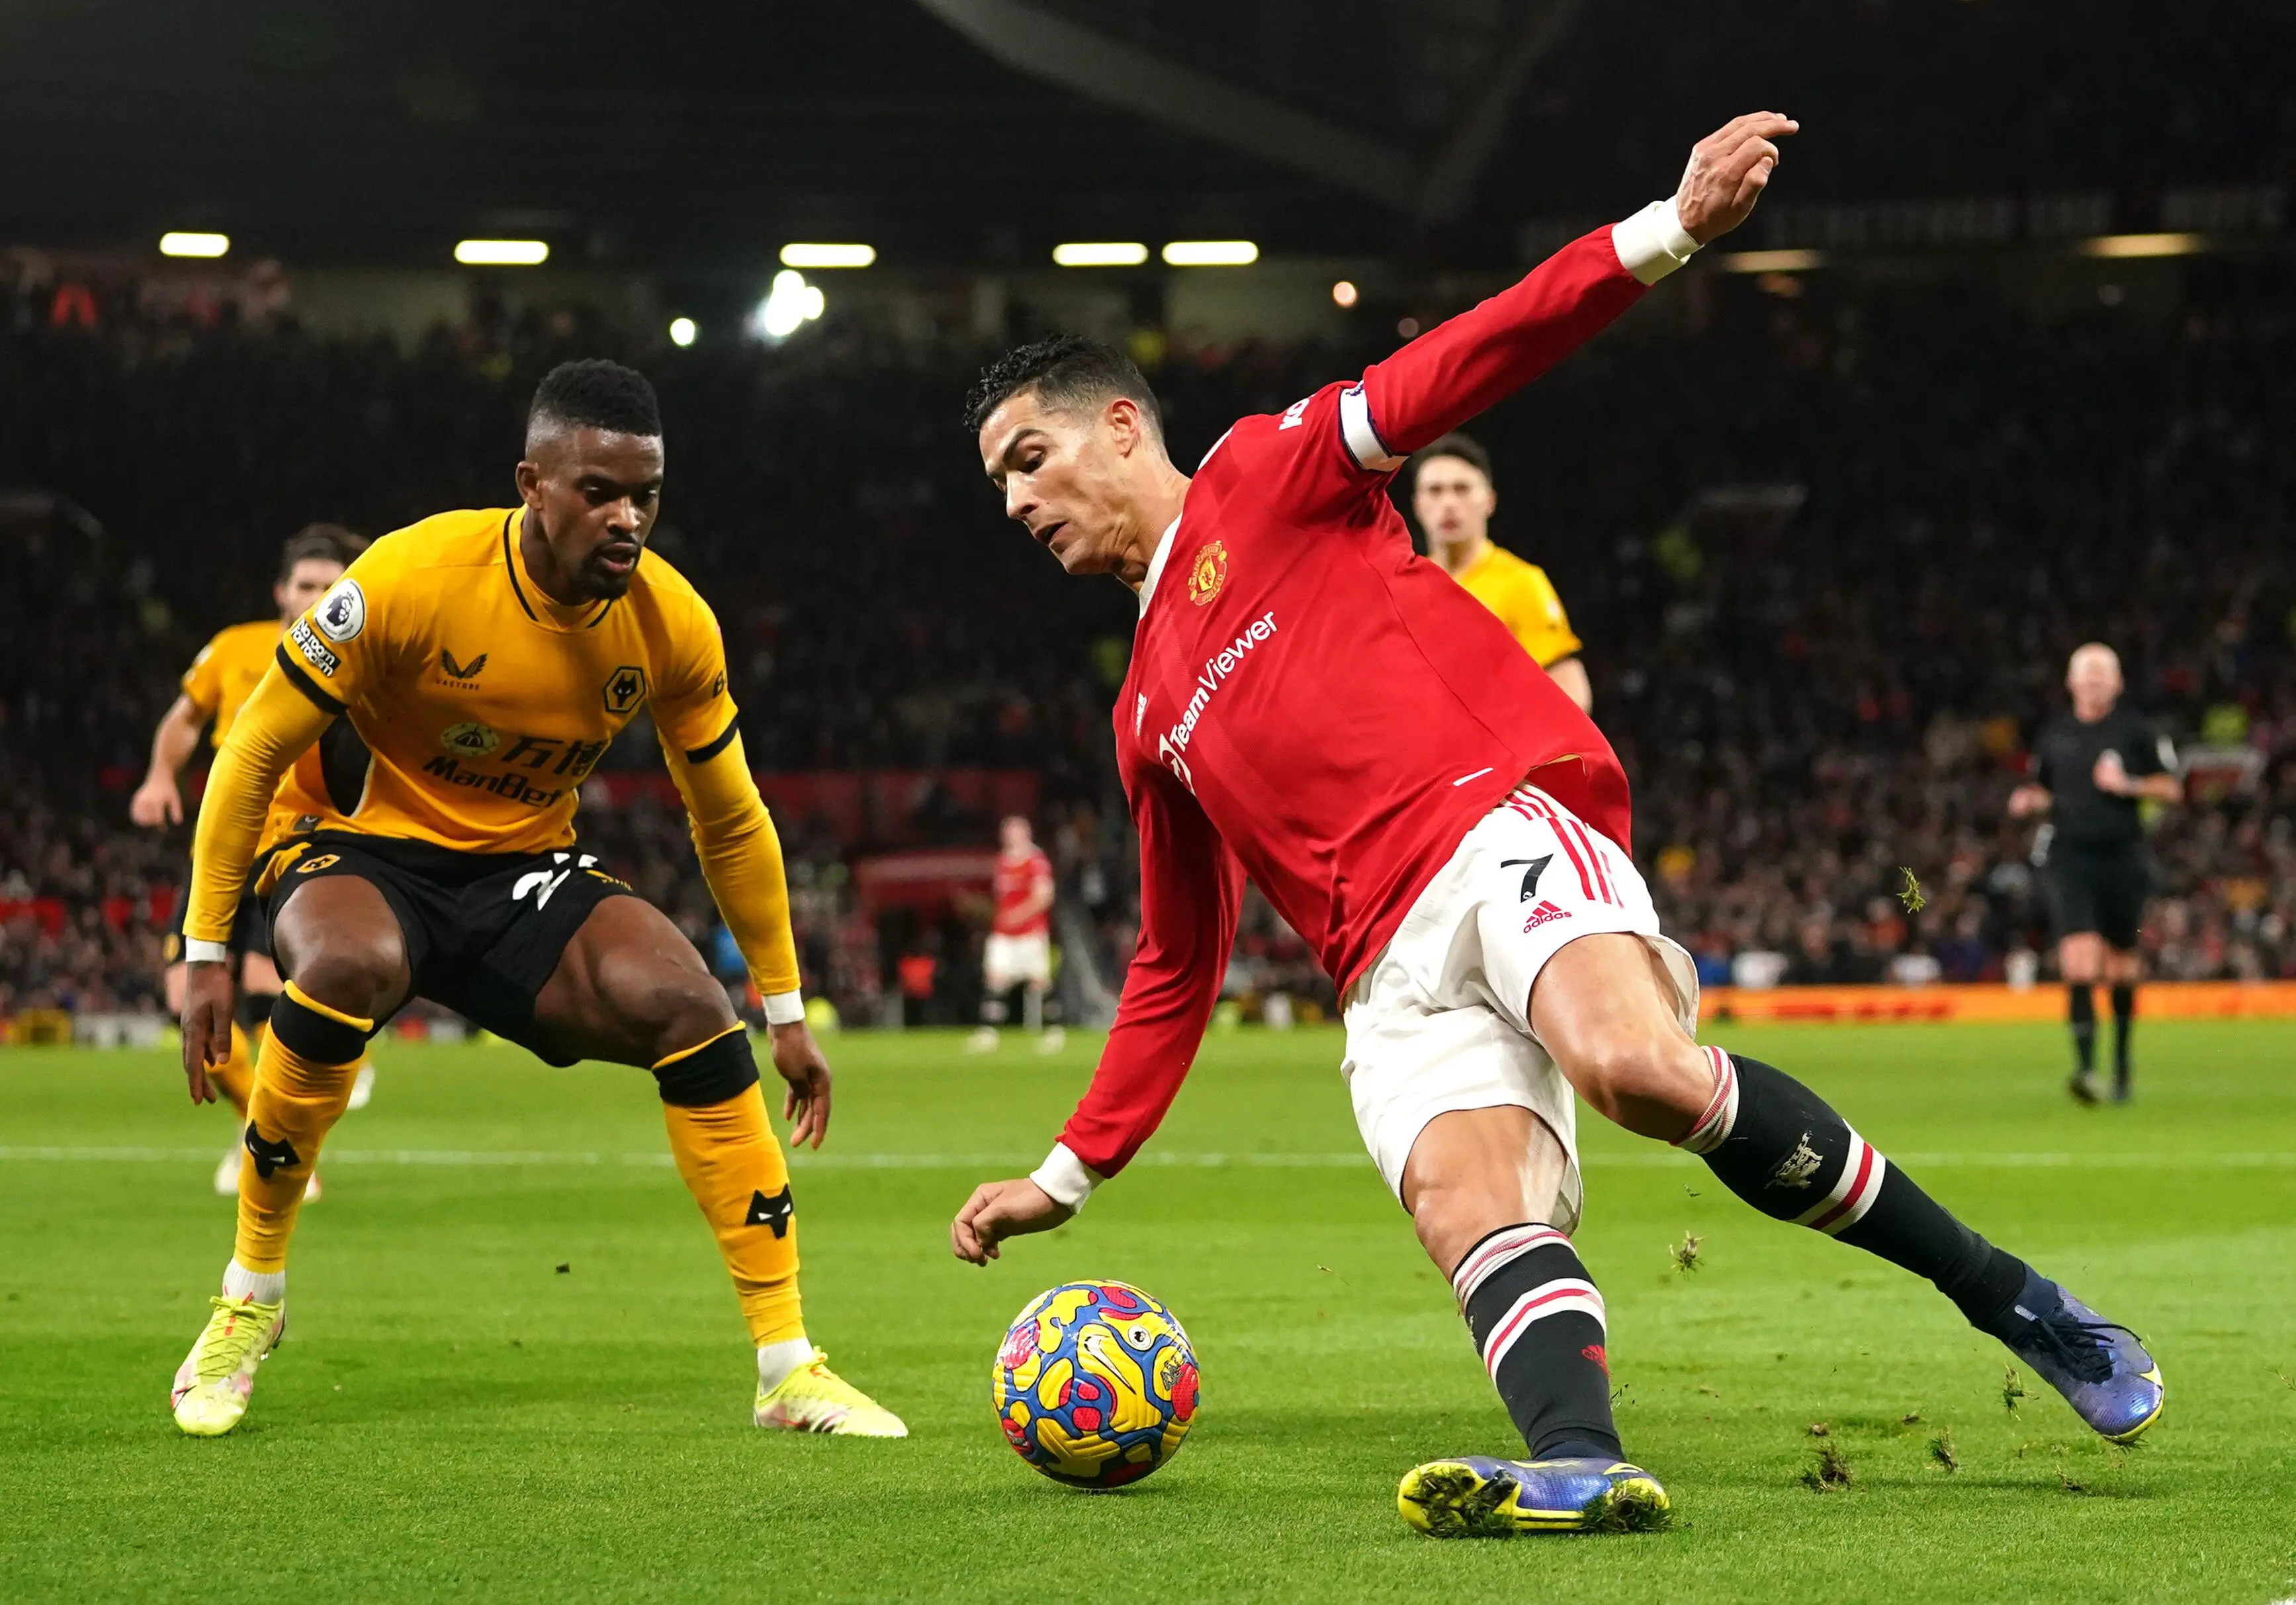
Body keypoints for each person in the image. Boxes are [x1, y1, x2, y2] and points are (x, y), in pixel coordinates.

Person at [948, 114, 2162, 1538]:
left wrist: (1671, 229)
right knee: (1471, 1208)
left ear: (1117, 423)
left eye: (1027, 457)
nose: (1017, 499)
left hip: (1489, 837)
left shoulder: (1272, 472)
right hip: (1384, 974)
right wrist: (1062, 1174)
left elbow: (1468, 354)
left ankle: (2011, 1298)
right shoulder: (1144, 709)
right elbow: (1172, 961)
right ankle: (1580, 1462)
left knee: (1632, 1070)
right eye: (996, 486)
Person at [167, 359, 902, 1441]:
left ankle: (788, 1368)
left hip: (523, 877)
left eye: (646, 494)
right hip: (369, 856)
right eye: (598, 491)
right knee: (345, 965)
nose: (628, 519)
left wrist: (786, 1011)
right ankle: (250, 1301)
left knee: (695, 1007)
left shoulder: (669, 622)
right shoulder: (410, 577)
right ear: (532, 483)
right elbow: (252, 748)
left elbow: (732, 820)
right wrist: (206, 948)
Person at [132, 525, 378, 1197]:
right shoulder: (236, 649)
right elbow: (184, 719)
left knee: (280, 1009)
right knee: (190, 1004)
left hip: (303, 855)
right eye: (306, 586)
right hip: (222, 851)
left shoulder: (367, 663)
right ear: (281, 591)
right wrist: (159, 775)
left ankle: (281, 1152)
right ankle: (261, 1136)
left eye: (333, 587)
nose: (318, 597)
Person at [2008, 643, 2180, 1103]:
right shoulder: (2054, 736)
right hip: (2069, 858)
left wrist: (2128, 785)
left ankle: (2122, 1065)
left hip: (2123, 857)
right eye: (2086, 673)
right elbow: (2043, 787)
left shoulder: (2138, 732)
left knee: (2122, 968)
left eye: (2103, 673)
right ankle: (2086, 1070)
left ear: (2118, 682)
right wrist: (2030, 801)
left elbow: (2171, 787)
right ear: (2071, 682)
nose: (2094, 681)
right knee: (2080, 961)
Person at [1410, 433, 1592, 711]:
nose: (1448, 503)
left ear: (1489, 501)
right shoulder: (1403, 589)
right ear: (1418, 506)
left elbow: (1571, 692)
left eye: (1462, 489)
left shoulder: (1520, 583)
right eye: (1435, 491)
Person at [967, 813, 1064, 1054]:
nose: (1011, 836)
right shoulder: (1002, 861)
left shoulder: (1036, 861)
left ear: (1026, 833)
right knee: (995, 979)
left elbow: (1044, 897)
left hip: (1030, 932)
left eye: (1016, 831)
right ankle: (989, 1033)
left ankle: (1054, 1032)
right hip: (1004, 933)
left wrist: (1018, 915)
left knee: (1039, 981)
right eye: (1008, 831)